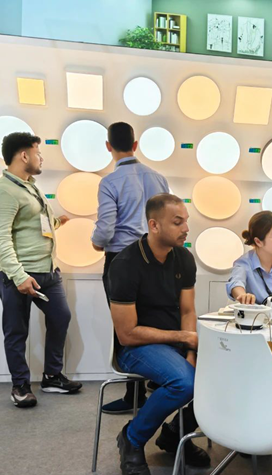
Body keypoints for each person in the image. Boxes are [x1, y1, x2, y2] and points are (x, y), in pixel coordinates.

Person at [109, 194, 209, 475]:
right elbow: (127, 333)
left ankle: (175, 433)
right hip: (137, 347)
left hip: (176, 343)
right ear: (154, 225)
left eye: (186, 221)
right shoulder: (125, 264)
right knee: (185, 383)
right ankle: (132, 438)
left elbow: (188, 310)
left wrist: (190, 351)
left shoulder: (184, 258)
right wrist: (185, 338)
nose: (186, 228)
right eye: (177, 222)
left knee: (230, 371)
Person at [0, 132, 82, 408]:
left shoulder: (31, 187)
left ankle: (51, 376)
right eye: (38, 153)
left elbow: (35, 223)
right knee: (17, 331)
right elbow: (0, 239)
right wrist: (18, 276)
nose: (41, 158)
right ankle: (20, 386)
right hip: (17, 274)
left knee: (61, 317)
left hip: (47, 271)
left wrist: (57, 222)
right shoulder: (2, 192)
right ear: (24, 155)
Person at [91, 122, 169, 415]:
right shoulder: (159, 178)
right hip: (156, 259)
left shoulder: (110, 182)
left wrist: (97, 243)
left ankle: (133, 395)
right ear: (135, 145)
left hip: (121, 261)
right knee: (154, 319)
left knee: (125, 326)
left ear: (108, 147)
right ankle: (158, 379)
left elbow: (105, 228)